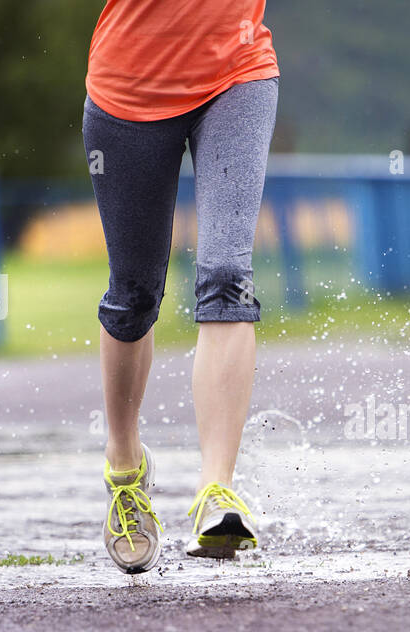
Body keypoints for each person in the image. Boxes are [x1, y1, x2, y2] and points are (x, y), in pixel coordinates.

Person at [82, 1, 278, 572]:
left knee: (225, 276)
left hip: (237, 75)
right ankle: (125, 469)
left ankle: (216, 490)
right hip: (127, 93)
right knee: (134, 294)